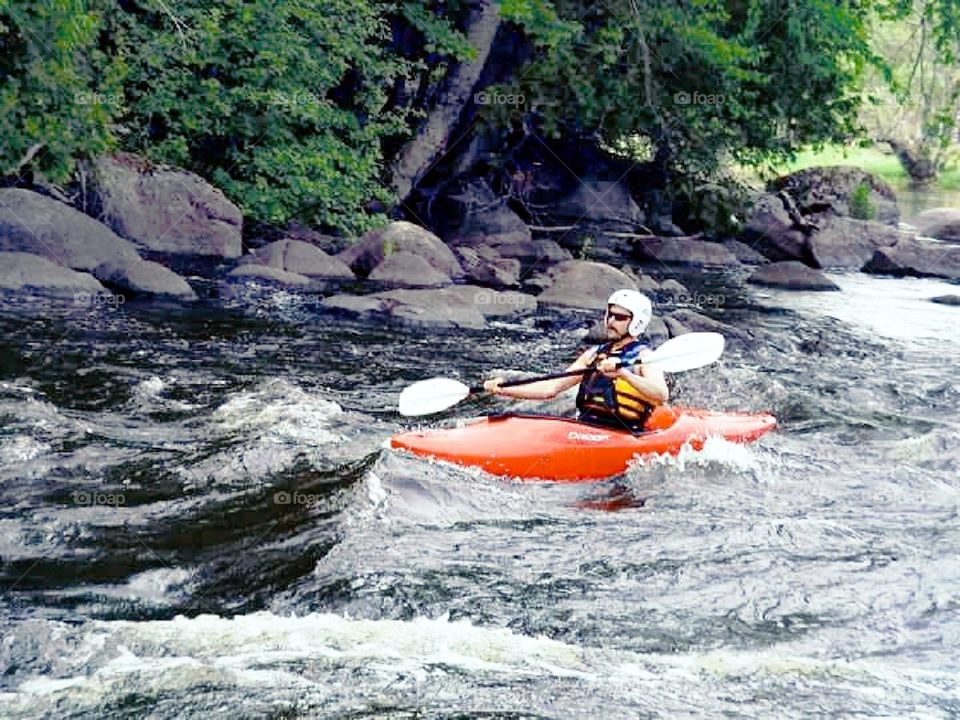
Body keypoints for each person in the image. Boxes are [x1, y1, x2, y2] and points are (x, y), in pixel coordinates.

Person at [483, 289, 669, 431]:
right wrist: (504, 390)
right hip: (585, 427)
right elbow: (550, 388)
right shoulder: (593, 355)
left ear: (636, 322)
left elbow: (661, 395)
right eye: (610, 314)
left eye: (619, 317)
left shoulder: (645, 358)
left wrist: (623, 373)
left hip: (625, 432)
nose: (611, 321)